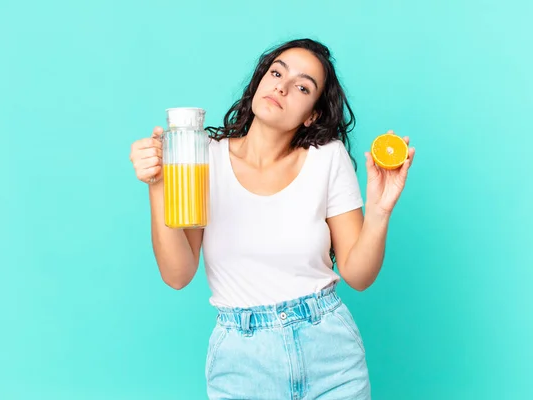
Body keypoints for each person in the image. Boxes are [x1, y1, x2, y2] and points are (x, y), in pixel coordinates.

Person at [129, 38, 415, 399]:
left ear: (311, 114)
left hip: (331, 355)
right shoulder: (204, 158)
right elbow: (177, 274)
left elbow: (358, 276)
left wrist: (379, 210)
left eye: (302, 86)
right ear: (260, 80)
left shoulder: (327, 157)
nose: (281, 84)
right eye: (276, 71)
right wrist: (157, 184)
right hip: (242, 363)